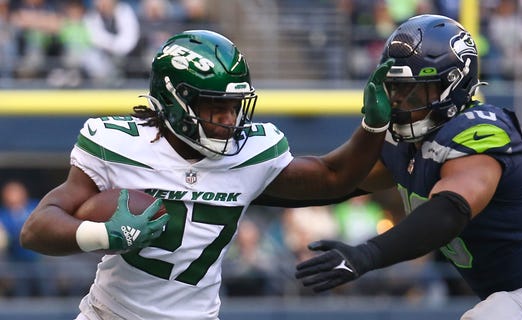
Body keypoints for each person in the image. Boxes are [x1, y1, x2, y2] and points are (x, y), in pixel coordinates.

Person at [19, 30, 392, 319]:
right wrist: (104, 233)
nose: (229, 121)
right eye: (216, 108)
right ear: (174, 100)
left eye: (234, 107)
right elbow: (36, 229)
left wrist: (372, 128)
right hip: (110, 313)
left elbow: (333, 177)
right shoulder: (117, 145)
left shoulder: (251, 153)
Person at [293, 14, 522, 319]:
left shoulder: (479, 129)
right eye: (394, 89)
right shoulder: (404, 147)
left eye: (412, 91)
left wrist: (367, 255)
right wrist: (250, 182)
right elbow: (332, 178)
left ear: (452, 84)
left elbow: (449, 211)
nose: (398, 103)